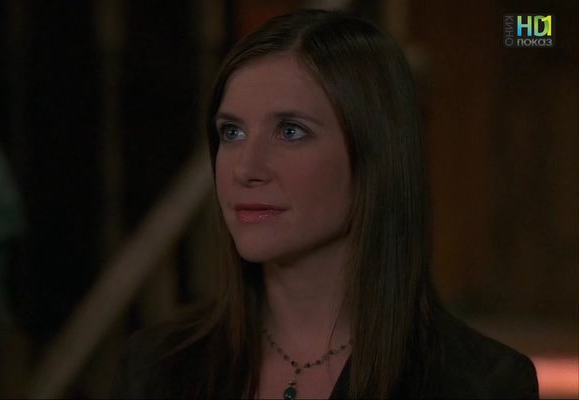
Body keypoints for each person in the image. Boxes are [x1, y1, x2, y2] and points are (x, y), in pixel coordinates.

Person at [115, 10, 538, 399]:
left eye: (290, 131)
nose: (246, 168)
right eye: (232, 132)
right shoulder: (155, 370)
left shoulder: (480, 384)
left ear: (375, 154)